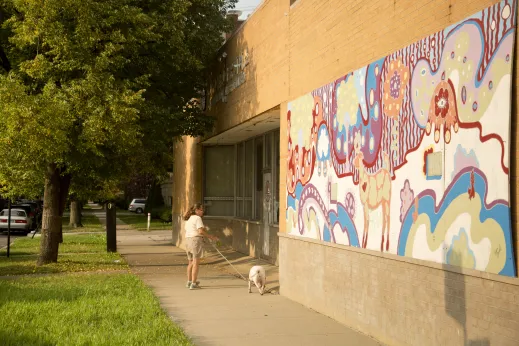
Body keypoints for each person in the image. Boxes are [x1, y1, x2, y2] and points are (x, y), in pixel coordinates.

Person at [183, 203, 218, 290]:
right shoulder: (198, 218)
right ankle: (194, 283)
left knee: (190, 262)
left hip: (188, 240)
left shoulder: (189, 219)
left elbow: (190, 231)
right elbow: (200, 231)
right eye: (201, 210)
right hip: (195, 241)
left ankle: (189, 281)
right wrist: (211, 237)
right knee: (195, 263)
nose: (203, 212)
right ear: (197, 210)